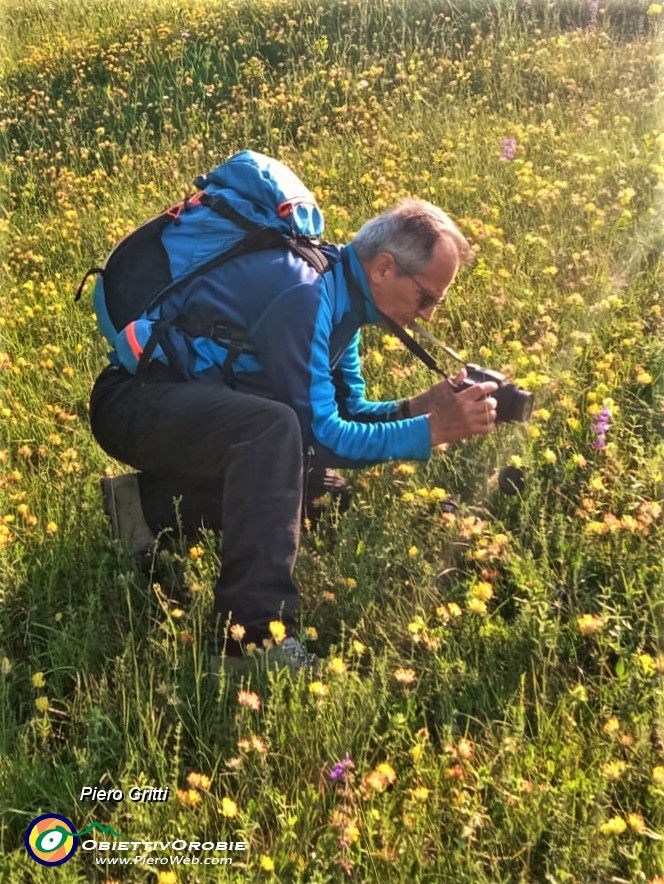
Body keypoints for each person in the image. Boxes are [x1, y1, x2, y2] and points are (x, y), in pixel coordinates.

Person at [89, 197, 498, 671]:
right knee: (275, 431)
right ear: (384, 268)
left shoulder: (345, 302)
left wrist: (415, 408)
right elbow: (320, 437)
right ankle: (249, 644)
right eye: (427, 298)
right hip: (133, 404)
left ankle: (143, 507)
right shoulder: (303, 294)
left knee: (323, 493)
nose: (427, 315)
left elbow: (347, 412)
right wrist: (431, 431)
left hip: (183, 410)